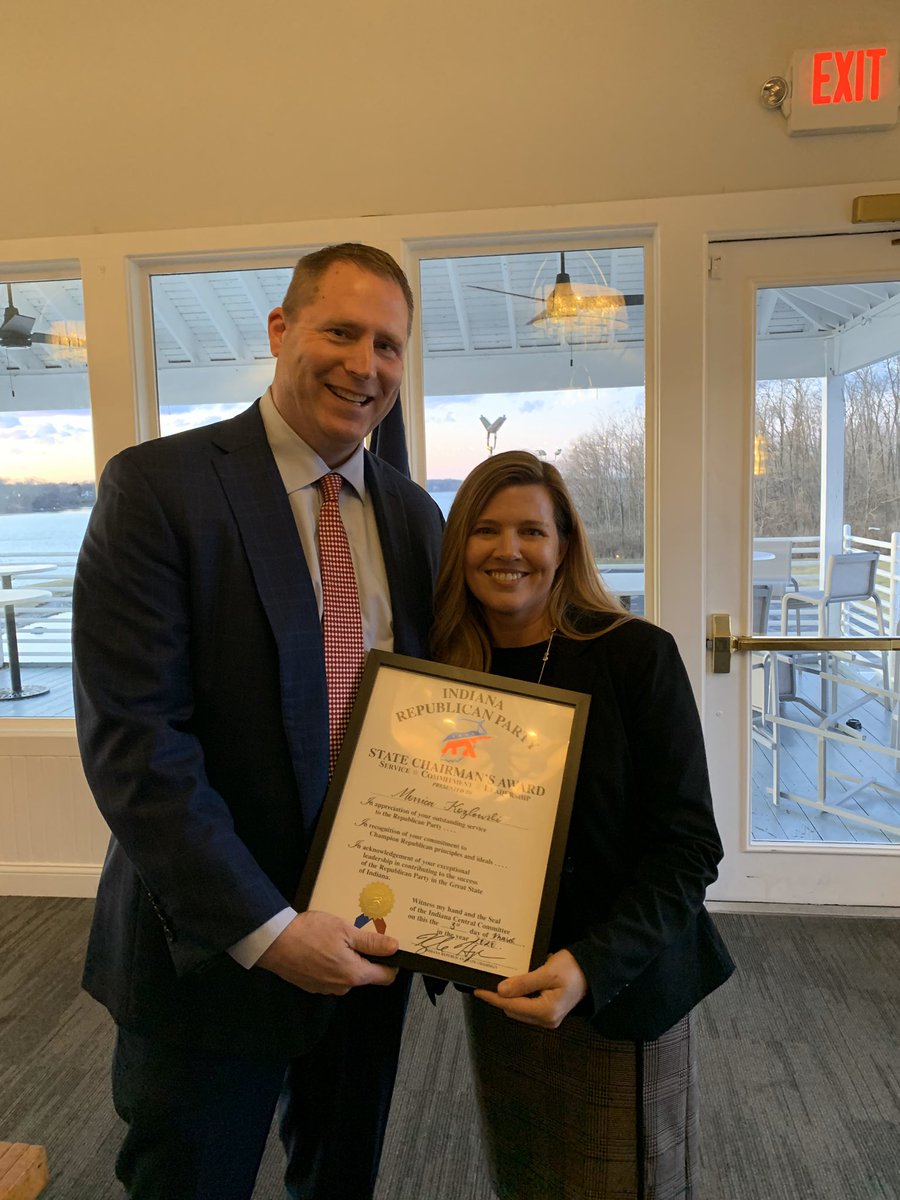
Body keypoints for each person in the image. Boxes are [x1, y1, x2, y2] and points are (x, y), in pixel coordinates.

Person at [72, 243, 444, 1200]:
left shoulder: (413, 517)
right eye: (342, 331)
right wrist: (270, 930)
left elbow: (438, 726)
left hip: (370, 940)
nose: (366, 364)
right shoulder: (158, 489)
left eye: (390, 346)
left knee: (341, 1177)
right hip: (210, 953)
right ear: (281, 331)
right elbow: (138, 747)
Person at [430, 450, 735, 1200]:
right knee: (526, 1173)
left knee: (623, 1181)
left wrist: (591, 966)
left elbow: (689, 848)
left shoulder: (635, 655)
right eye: (486, 530)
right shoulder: (440, 674)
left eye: (531, 531)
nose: (508, 551)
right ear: (458, 546)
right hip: (502, 987)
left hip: (620, 988)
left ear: (565, 546)